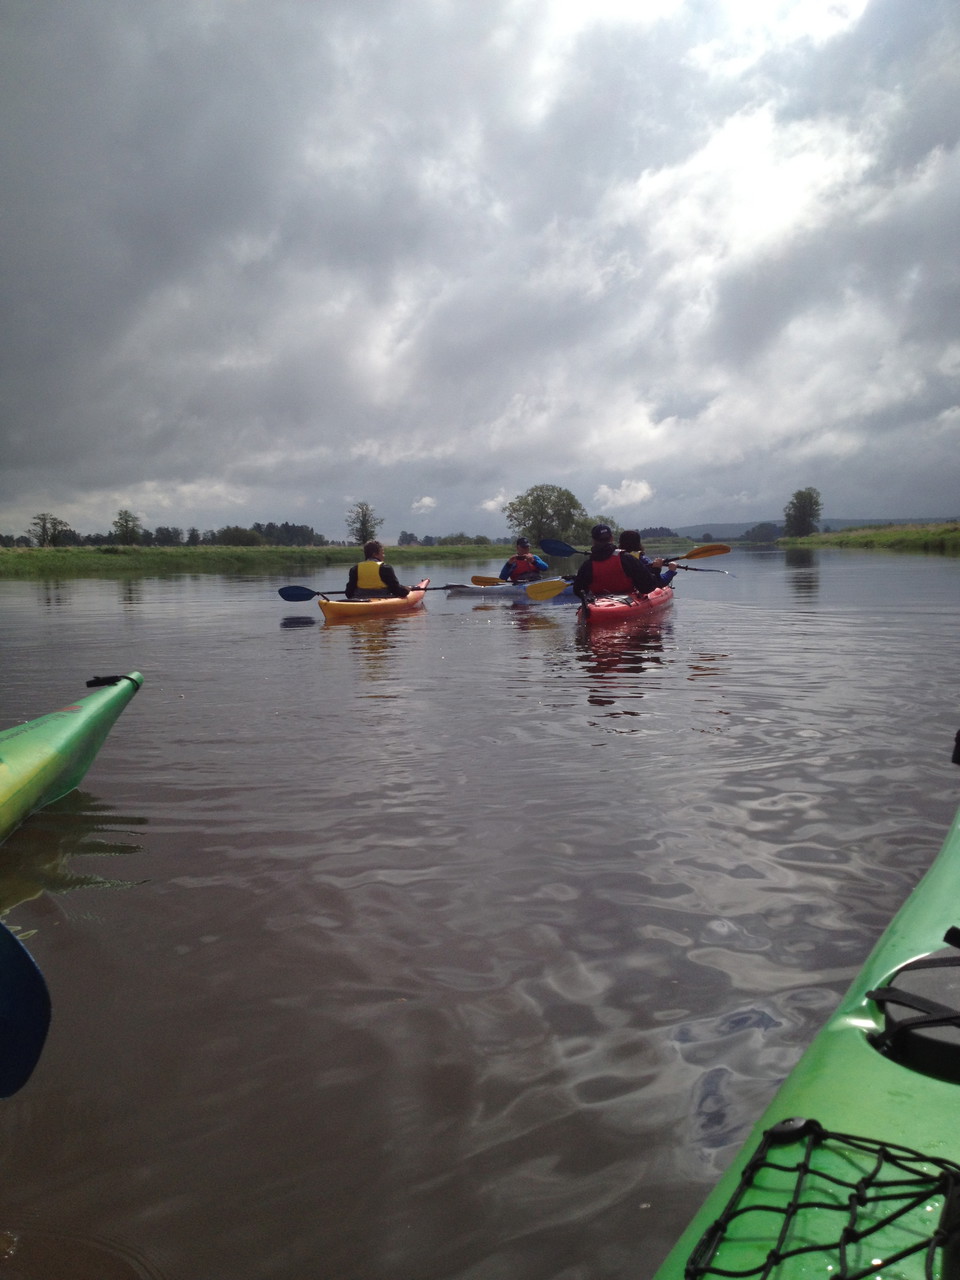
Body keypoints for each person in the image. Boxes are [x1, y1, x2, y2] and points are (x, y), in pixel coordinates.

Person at [572, 525, 661, 601]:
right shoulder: (626, 559)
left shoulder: (587, 565)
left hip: (598, 605)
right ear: (611, 538)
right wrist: (655, 571)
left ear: (593, 541)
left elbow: (578, 590)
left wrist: (590, 598)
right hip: (627, 602)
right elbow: (648, 587)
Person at [345, 540, 413, 599]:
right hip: (382, 599)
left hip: (359, 600)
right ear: (375, 554)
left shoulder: (355, 569)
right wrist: (406, 590)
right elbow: (396, 591)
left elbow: (348, 593)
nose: (384, 556)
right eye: (382, 553)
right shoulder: (385, 568)